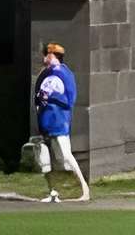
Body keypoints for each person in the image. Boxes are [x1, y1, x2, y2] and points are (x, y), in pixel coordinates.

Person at [33, 42, 90, 204]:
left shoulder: (64, 74)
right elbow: (39, 96)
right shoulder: (47, 74)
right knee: (53, 158)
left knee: (65, 155)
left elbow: (68, 100)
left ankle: (84, 188)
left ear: (54, 56)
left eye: (47, 55)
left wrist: (49, 98)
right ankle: (54, 192)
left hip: (59, 120)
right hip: (48, 120)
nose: (45, 58)